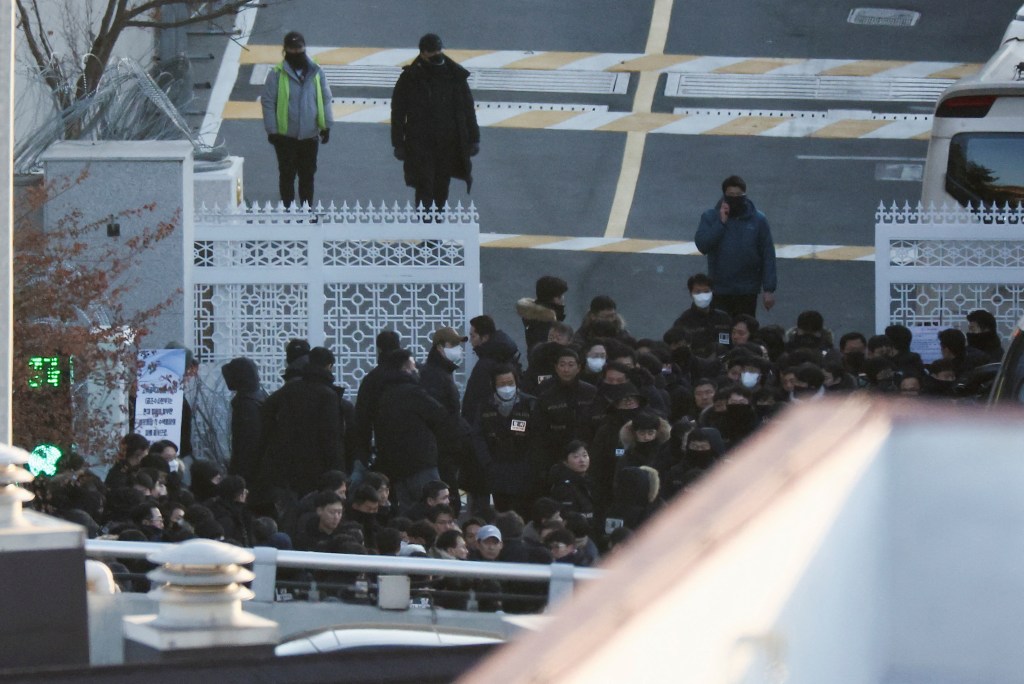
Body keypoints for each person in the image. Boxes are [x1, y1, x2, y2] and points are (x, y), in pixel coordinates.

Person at [391, 33, 480, 212]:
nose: (436, 54)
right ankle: (428, 232)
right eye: (432, 52)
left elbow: (468, 109)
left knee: (441, 188)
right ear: (422, 53)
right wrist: (398, 143)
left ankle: (436, 232)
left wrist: (474, 138)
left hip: (448, 143)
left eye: (438, 50)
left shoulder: (455, 76)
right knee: (424, 187)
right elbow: (398, 113)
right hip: (421, 144)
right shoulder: (410, 78)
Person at [261, 346, 345, 509]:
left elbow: (266, 409)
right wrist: (337, 469)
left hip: (288, 461)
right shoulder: (328, 395)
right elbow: (331, 436)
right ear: (329, 366)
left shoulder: (291, 389)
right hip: (318, 463)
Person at [261, 31, 333, 208]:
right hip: (285, 137)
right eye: (292, 49)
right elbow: (268, 102)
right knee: (287, 175)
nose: (296, 52)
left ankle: (307, 211)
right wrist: (272, 130)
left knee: (307, 176)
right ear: (285, 50)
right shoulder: (276, 74)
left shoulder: (316, 71)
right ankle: (288, 212)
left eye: (299, 48)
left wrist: (326, 126)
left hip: (309, 136)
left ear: (304, 48)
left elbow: (325, 97)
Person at [695, 175, 778, 317]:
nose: (735, 198)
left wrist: (768, 289)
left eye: (739, 195)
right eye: (731, 195)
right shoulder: (710, 217)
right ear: (724, 195)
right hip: (720, 289)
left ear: (745, 195)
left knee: (743, 331)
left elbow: (768, 254)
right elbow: (703, 245)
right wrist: (721, 223)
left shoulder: (758, 220)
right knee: (722, 335)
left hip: (747, 290)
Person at [516, 275, 569, 353]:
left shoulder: (535, 316)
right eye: (561, 295)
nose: (563, 298)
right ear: (555, 298)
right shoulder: (546, 323)